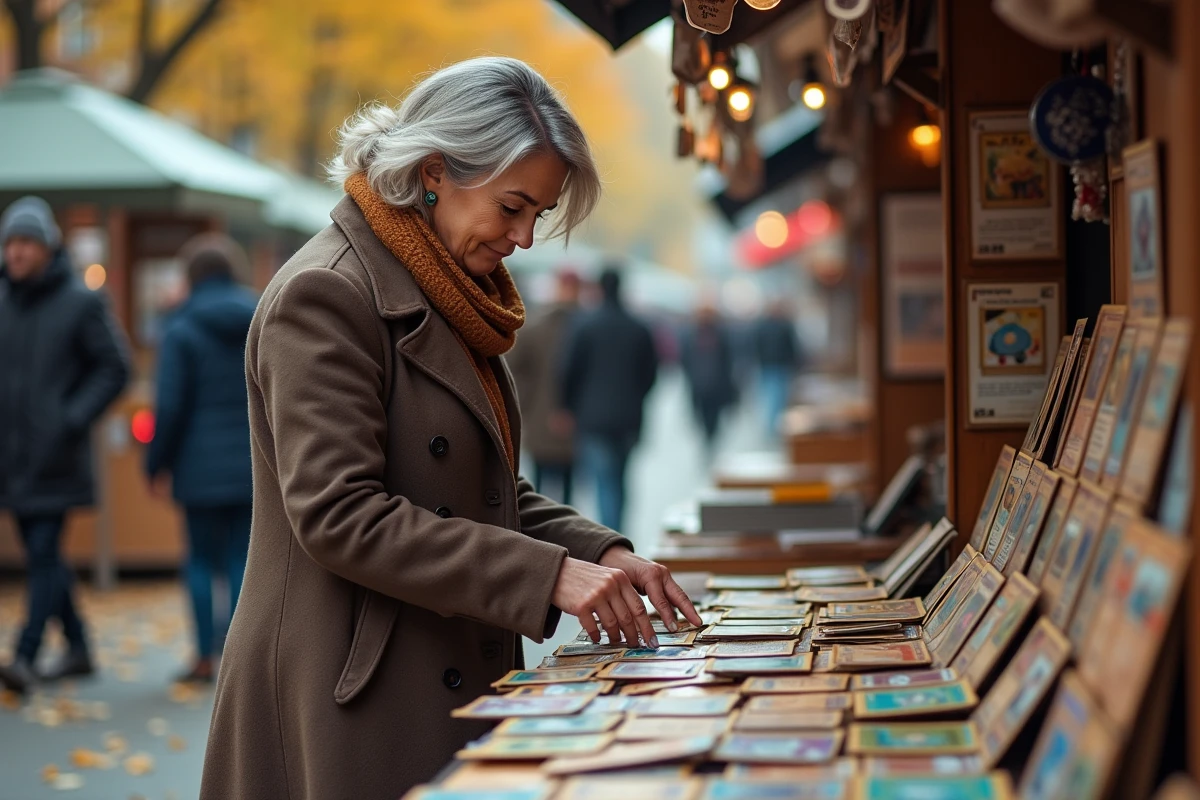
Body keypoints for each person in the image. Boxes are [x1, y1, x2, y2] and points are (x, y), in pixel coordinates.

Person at [200, 57, 701, 800]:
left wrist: (601, 551)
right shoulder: (326, 293)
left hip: (430, 666)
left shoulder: (445, 288)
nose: (524, 237)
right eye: (512, 207)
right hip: (348, 697)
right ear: (434, 171)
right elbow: (339, 515)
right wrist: (550, 576)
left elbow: (478, 487)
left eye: (539, 214)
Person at [0, 196, 130, 694]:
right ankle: (78, 647)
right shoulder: (4, 300)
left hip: (54, 455)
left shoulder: (79, 301)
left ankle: (25, 655)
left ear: (47, 247)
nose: (16, 252)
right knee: (45, 554)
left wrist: (69, 419)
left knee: (42, 551)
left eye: (25, 243)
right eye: (10, 243)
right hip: (12, 456)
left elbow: (115, 367)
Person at [145, 234, 258, 684]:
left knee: (199, 560)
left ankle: (204, 659)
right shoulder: (260, 316)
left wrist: (155, 464)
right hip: (252, 462)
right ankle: (239, 656)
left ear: (191, 277)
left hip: (197, 465)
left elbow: (169, 405)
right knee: (241, 558)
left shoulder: (180, 327)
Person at [560, 267, 659, 533]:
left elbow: (569, 371)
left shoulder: (585, 325)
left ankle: (611, 535)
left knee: (604, 480)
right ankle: (618, 529)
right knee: (620, 478)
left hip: (593, 417)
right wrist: (636, 397)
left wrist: (567, 407)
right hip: (629, 417)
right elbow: (651, 373)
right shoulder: (639, 328)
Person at [507, 269, 581, 504]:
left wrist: (524, 403)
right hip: (570, 418)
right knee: (565, 488)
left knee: (539, 489)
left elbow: (513, 368)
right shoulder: (586, 327)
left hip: (541, 415)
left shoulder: (536, 326)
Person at [680, 301, 737, 457]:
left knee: (708, 415)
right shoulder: (711, 334)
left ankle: (709, 438)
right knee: (708, 415)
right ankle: (709, 438)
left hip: (706, 383)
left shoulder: (699, 334)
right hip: (708, 382)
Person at [755, 299, 804, 435]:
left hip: (776, 365)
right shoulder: (782, 326)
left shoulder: (768, 326)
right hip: (773, 366)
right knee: (775, 396)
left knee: (774, 396)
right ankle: (773, 426)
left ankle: (773, 425)